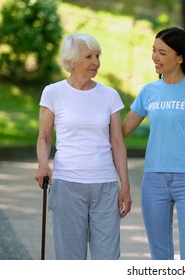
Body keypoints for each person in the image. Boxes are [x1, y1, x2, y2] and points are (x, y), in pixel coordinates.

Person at [121, 26, 185, 260]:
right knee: (160, 255)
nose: (155, 57)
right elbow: (123, 131)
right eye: (154, 50)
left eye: (163, 52)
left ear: (180, 58)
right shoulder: (149, 91)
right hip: (154, 180)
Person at [34, 33, 132, 260]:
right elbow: (44, 138)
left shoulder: (109, 95)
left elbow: (117, 143)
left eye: (97, 55)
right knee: (70, 258)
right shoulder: (53, 92)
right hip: (67, 184)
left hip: (105, 186)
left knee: (108, 259)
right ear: (72, 60)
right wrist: (43, 165)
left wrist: (124, 186)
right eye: (88, 56)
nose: (96, 62)